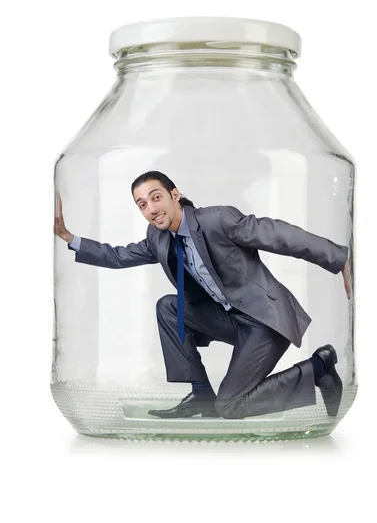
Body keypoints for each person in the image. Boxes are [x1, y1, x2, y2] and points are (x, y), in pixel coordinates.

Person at [54, 170, 351, 420]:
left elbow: (277, 234)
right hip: (230, 320)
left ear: (174, 194)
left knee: (230, 406)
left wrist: (336, 257)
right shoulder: (157, 237)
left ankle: (318, 367)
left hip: (264, 320)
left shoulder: (218, 220)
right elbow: (118, 256)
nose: (151, 209)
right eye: (142, 204)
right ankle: (200, 394)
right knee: (168, 307)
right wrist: (70, 238)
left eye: (156, 197)